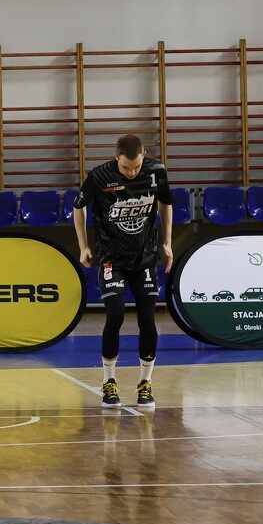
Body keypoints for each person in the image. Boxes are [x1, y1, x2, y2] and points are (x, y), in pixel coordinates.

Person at [75, 134, 175, 410]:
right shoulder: (100, 175)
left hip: (144, 258)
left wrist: (167, 242)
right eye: (125, 168)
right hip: (111, 259)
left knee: (147, 318)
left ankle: (145, 383)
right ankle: (109, 381)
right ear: (116, 158)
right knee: (116, 314)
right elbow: (78, 207)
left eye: (136, 167)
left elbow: (166, 203)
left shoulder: (157, 172)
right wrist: (83, 246)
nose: (131, 173)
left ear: (144, 157)